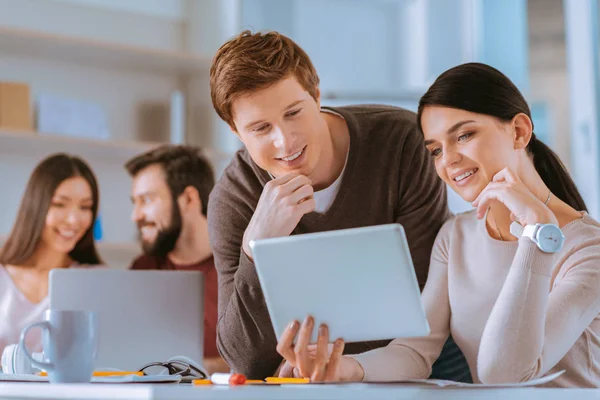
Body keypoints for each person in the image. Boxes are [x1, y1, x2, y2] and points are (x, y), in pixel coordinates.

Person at [276, 63, 600, 388]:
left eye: (464, 135)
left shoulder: (589, 249)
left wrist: (538, 232)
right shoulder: (456, 237)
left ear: (519, 131)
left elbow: (505, 374)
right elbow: (415, 352)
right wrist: (342, 368)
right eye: (435, 150)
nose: (448, 160)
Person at [207, 30, 469, 380]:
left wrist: (327, 361)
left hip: (429, 357)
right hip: (318, 377)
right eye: (260, 128)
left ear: (316, 95)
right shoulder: (234, 198)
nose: (284, 140)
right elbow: (243, 360)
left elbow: (422, 301)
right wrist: (257, 248)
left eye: (293, 113)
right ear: (236, 131)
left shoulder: (401, 142)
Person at [125, 144, 229, 374]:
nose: (136, 216)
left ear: (189, 199)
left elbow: (264, 361)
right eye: (135, 202)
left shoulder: (240, 268)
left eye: (147, 200)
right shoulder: (142, 269)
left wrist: (195, 368)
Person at [0, 153, 103, 355]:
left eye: (85, 207)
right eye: (59, 204)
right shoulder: (3, 277)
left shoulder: (97, 279)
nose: (73, 220)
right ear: (36, 206)